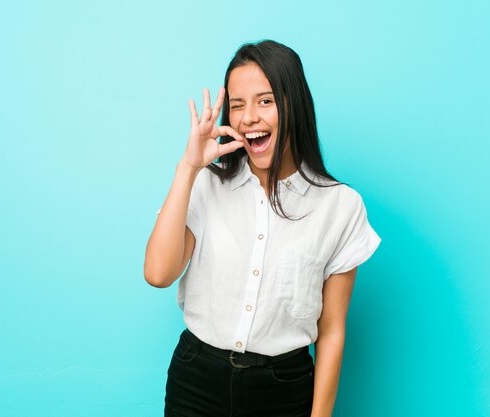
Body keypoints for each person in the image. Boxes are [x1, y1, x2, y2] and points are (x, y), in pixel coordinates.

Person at [144, 39, 381, 417]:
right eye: (237, 105)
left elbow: (332, 330)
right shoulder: (205, 184)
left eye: (265, 101)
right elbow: (158, 274)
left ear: (294, 105)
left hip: (283, 390)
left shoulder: (340, 207)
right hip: (197, 381)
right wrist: (188, 169)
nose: (248, 117)